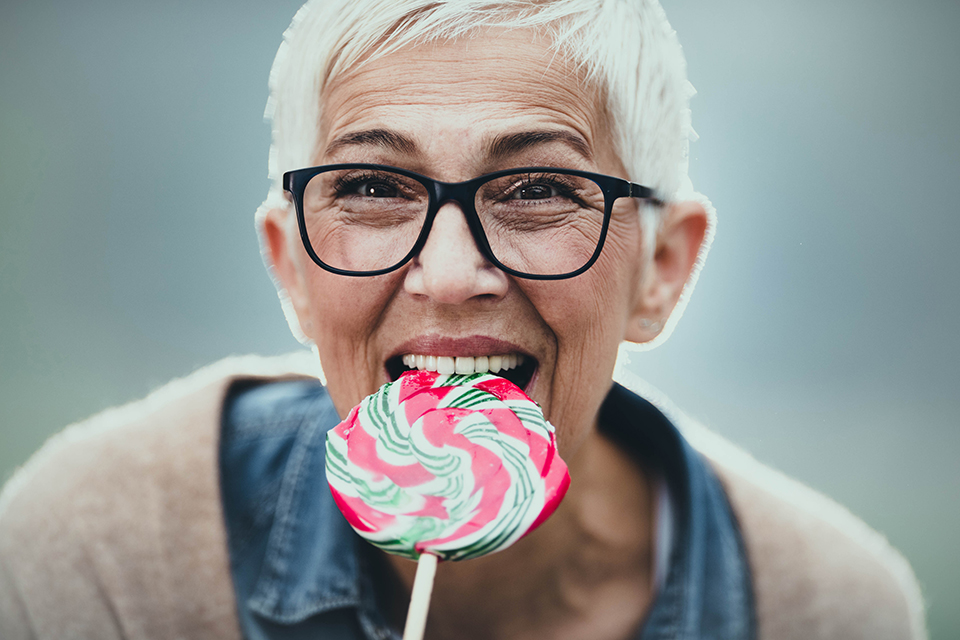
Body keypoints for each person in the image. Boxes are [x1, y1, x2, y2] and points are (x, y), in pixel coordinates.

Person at [0, 1, 926, 638]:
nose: (448, 276)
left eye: (536, 189)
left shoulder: (827, 606)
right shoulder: (102, 554)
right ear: (288, 265)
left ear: (662, 269)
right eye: (369, 186)